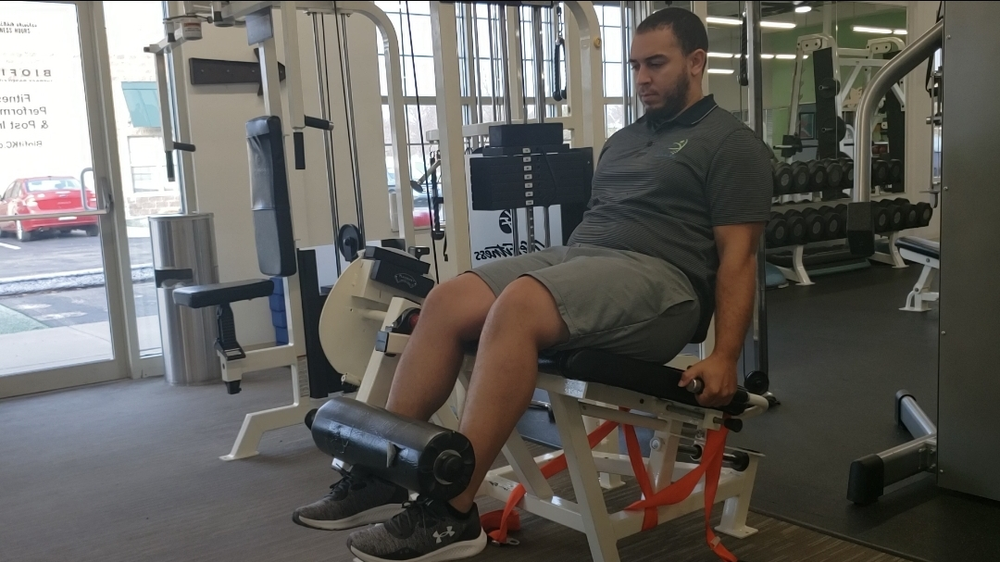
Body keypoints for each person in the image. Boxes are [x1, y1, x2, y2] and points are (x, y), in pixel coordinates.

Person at [294, 7, 773, 562]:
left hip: (663, 284)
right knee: (447, 299)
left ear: (696, 62)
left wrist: (725, 355)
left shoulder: (731, 143)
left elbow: (738, 257)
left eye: (657, 64)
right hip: (588, 258)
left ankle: (452, 513)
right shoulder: (623, 141)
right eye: (636, 65)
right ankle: (386, 472)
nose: (642, 78)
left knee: (519, 305)